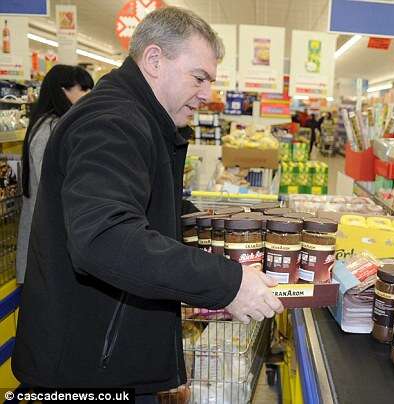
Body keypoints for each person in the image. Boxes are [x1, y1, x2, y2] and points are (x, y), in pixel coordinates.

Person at [12, 6, 283, 399]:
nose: (208, 94)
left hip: (102, 361)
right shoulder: (112, 122)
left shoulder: (138, 119)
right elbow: (105, 238)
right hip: (83, 376)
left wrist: (213, 224)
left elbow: (139, 209)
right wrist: (228, 283)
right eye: (199, 77)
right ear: (154, 60)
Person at [16, 64, 94, 284]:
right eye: (84, 89)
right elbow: (49, 183)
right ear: (63, 91)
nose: (89, 96)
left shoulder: (52, 125)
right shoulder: (48, 129)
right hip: (48, 238)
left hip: (50, 237)